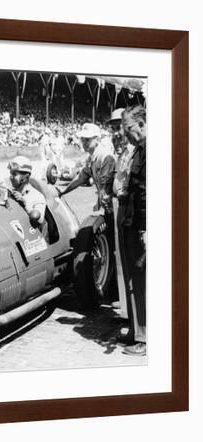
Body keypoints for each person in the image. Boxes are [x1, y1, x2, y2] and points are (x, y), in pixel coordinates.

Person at [120, 105, 147, 356]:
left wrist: (148, 228)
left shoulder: (150, 149)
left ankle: (145, 338)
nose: (125, 133)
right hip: (132, 222)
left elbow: (147, 193)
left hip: (141, 226)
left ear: (141, 124)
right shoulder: (139, 149)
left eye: (128, 128)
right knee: (135, 280)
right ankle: (138, 332)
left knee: (142, 281)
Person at [106, 108, 135, 320]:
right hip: (119, 205)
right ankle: (126, 306)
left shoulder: (135, 150)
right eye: (114, 129)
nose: (117, 133)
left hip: (129, 208)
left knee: (131, 261)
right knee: (120, 257)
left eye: (120, 128)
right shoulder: (122, 151)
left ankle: (131, 310)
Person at [8, 156, 46, 226]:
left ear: (26, 177)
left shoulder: (37, 196)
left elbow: (39, 220)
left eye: (14, 174)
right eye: (10, 174)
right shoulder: (9, 193)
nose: (11, 177)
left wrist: (25, 204)